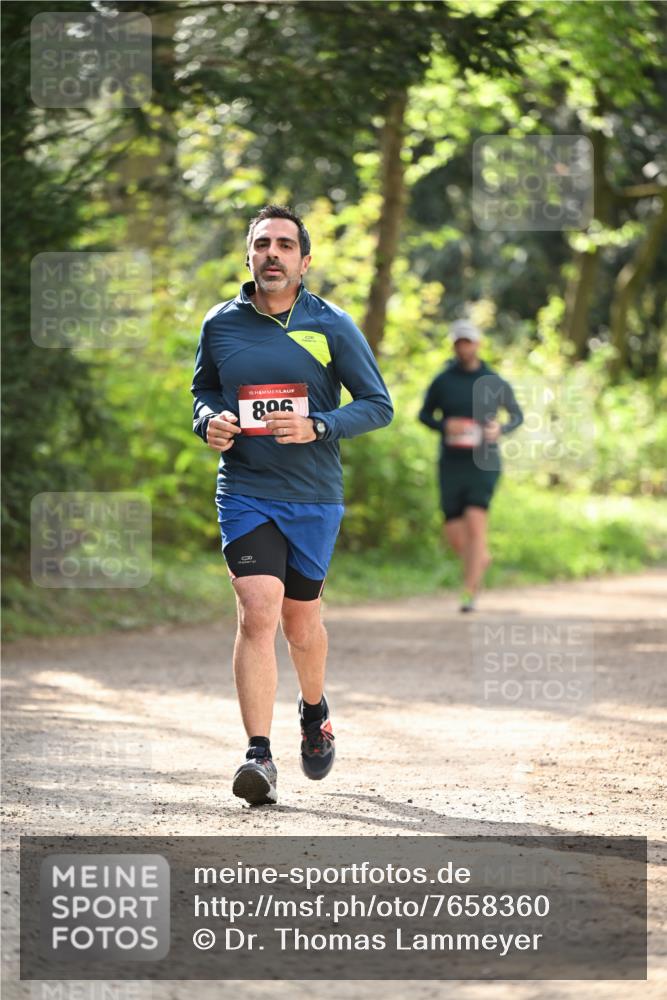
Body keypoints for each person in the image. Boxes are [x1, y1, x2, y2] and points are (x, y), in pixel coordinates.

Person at [191, 204, 393, 806]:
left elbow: (378, 404)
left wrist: (320, 426)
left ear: (305, 261)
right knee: (259, 611)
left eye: (284, 245)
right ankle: (258, 755)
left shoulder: (331, 325)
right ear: (248, 256)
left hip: (312, 496)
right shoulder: (220, 323)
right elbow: (203, 390)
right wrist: (209, 422)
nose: (272, 254)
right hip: (246, 490)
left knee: (302, 625)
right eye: (262, 244)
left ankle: (314, 710)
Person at [418, 319, 523, 612]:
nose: (464, 347)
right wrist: (443, 425)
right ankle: (479, 561)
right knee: (455, 533)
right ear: (454, 345)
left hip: (483, 462)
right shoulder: (443, 380)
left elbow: (516, 415)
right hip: (451, 463)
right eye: (459, 342)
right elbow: (424, 415)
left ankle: (469, 593)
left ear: (478, 344)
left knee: (476, 525)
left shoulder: (493, 380)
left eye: (469, 341)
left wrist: (499, 429)